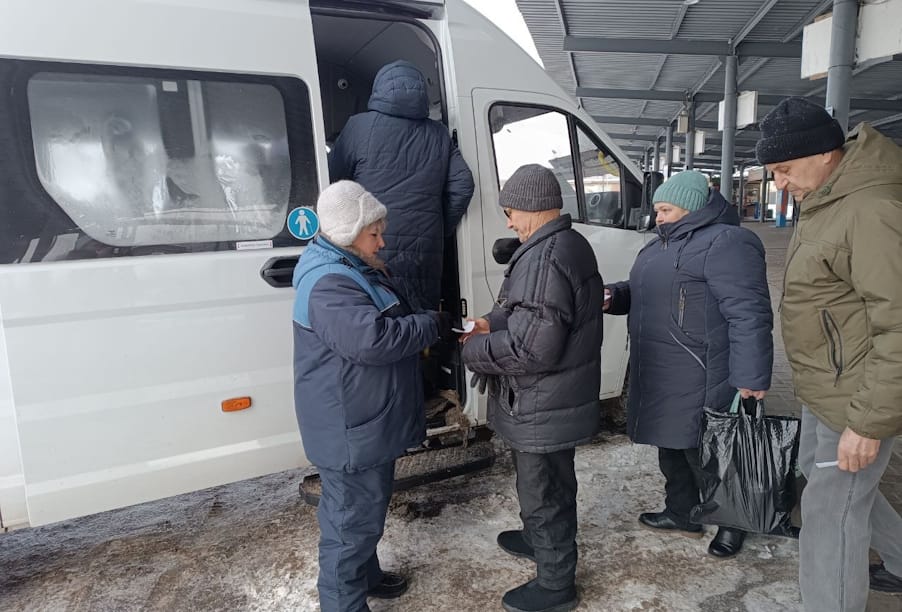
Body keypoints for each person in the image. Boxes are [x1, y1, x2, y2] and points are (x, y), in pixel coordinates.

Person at [756, 97, 902, 610]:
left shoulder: (871, 209)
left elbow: (898, 324)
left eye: (784, 169)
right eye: (773, 173)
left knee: (829, 510)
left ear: (824, 153)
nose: (779, 184)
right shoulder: (827, 198)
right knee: (827, 479)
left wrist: (868, 423)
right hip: (827, 385)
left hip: (856, 395)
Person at [291, 180, 455, 612]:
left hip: (362, 421)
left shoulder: (348, 265)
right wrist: (430, 325)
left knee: (363, 513)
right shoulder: (329, 282)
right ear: (348, 233)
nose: (382, 241)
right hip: (348, 427)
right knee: (348, 527)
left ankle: (366, 576)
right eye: (374, 233)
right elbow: (372, 340)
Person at [604, 170, 773, 559]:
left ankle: (734, 522)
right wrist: (614, 296)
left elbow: (749, 314)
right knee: (671, 446)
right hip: (660, 366)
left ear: (692, 207)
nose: (658, 217)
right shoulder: (659, 245)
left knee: (709, 454)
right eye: (657, 210)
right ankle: (681, 512)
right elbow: (648, 292)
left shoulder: (728, 242)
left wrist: (751, 375)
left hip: (702, 368)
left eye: (665, 209)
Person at [460, 164, 603, 612]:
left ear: (532, 208)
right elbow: (527, 311)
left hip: (544, 399)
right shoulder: (564, 244)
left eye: (510, 213)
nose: (508, 223)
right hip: (552, 397)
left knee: (546, 491)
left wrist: (473, 350)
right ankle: (537, 539)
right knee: (542, 482)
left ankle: (556, 584)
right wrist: (490, 322)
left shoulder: (544, 257)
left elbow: (531, 348)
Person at [328, 59, 475, 312]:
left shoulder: (358, 127)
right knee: (420, 320)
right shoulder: (438, 133)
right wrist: (439, 227)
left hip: (369, 244)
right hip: (424, 249)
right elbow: (463, 185)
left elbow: (333, 184)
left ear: (379, 89)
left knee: (377, 318)